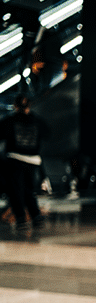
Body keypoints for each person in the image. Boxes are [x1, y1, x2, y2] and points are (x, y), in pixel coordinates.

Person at [0, 95, 50, 228]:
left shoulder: (10, 120)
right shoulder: (37, 121)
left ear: (15, 106)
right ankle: (36, 216)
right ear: (29, 106)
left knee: (16, 190)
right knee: (29, 189)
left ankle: (21, 219)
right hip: (33, 161)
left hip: (15, 159)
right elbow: (47, 134)